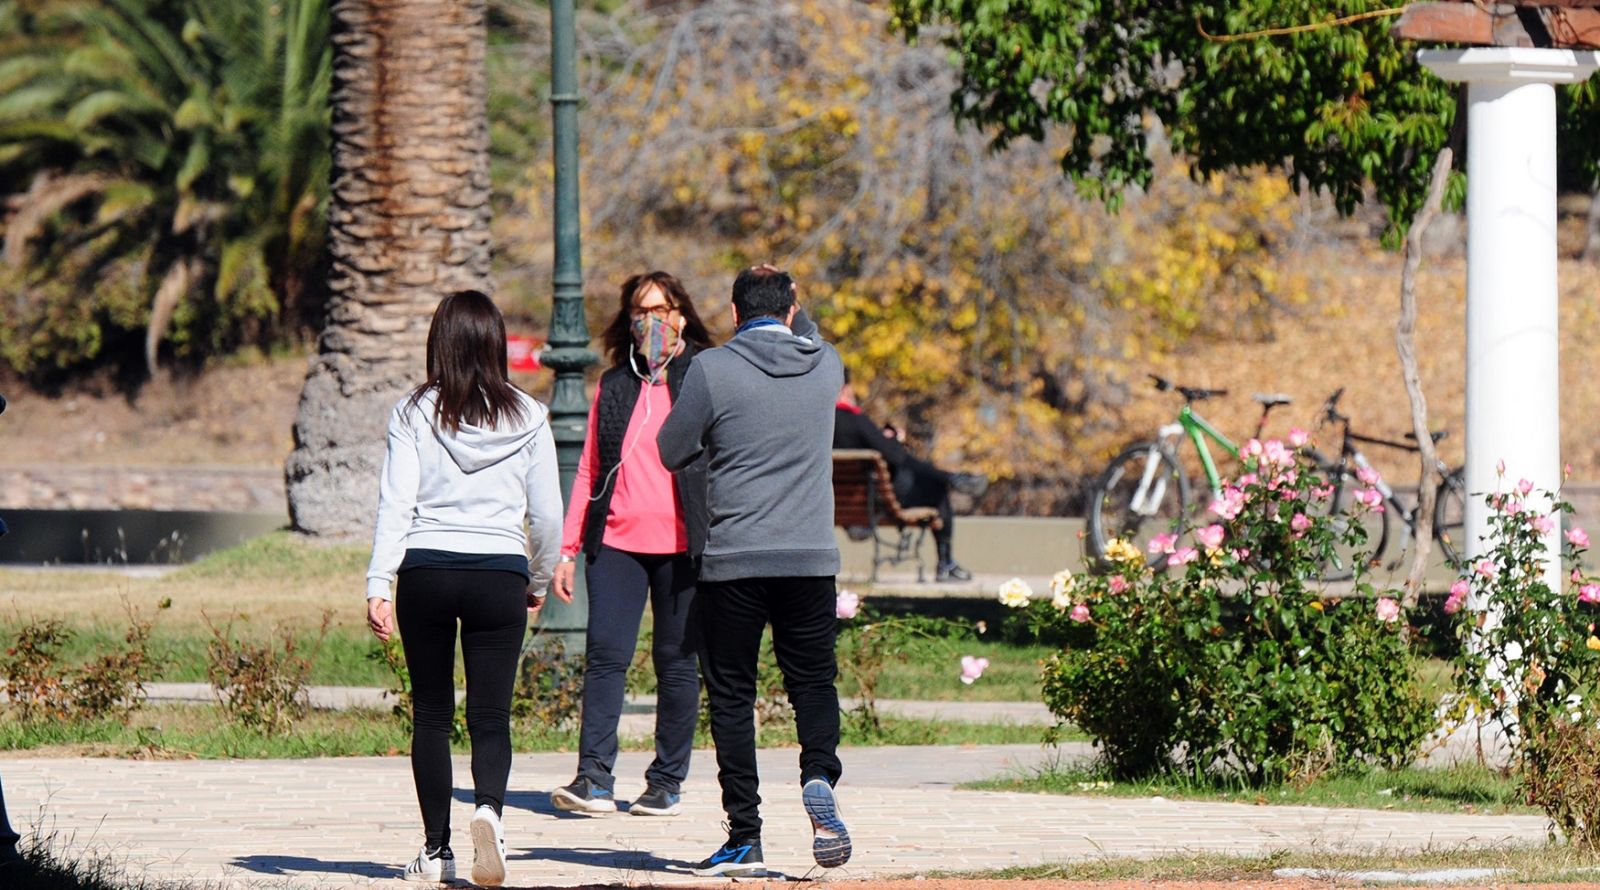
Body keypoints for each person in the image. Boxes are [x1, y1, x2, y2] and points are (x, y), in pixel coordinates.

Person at [658, 265, 852, 878]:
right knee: (813, 683)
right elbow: (808, 332)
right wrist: (795, 310)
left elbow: (671, 450)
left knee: (733, 697)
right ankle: (818, 774)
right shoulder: (826, 364)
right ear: (793, 309)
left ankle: (745, 836)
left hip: (734, 561)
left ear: (735, 313)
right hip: (810, 560)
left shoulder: (713, 369)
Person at [364, 290, 563, 887]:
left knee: (431, 713)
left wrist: (379, 581)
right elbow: (547, 516)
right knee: (491, 714)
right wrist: (536, 578)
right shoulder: (530, 416)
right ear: (496, 343)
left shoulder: (412, 411)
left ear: (440, 344)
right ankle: (490, 814)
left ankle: (436, 851)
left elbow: (396, 503)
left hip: (426, 570)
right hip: (499, 572)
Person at [547, 272, 714, 817]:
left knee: (676, 663)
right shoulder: (615, 385)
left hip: (683, 547)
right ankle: (593, 779)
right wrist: (568, 549)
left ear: (681, 315)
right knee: (605, 657)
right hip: (616, 544)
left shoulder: (704, 377)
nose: (652, 322)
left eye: (661, 310)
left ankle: (666, 782)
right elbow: (589, 469)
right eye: (641, 312)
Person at [834, 377, 988, 581]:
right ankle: (946, 563)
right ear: (845, 389)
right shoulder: (855, 420)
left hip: (837, 503)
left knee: (925, 478)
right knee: (937, 489)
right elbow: (895, 456)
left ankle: (952, 478)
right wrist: (895, 439)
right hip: (877, 502)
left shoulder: (817, 424)